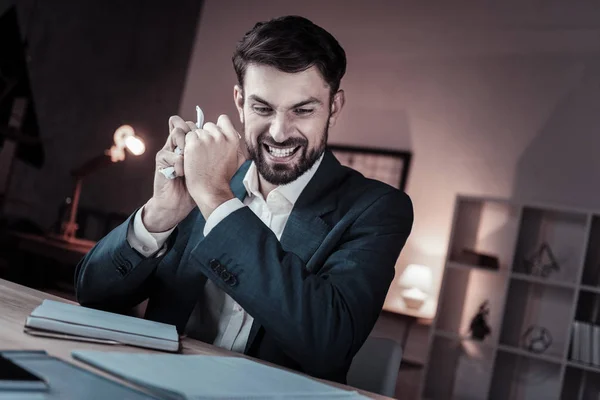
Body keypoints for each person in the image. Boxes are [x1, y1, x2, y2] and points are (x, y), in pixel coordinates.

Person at [75, 15, 413, 383]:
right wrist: (160, 214)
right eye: (263, 108)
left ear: (333, 107)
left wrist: (218, 202)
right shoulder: (201, 182)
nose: (280, 133)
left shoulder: (377, 210)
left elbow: (327, 343)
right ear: (239, 101)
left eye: (303, 110)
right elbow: (93, 294)